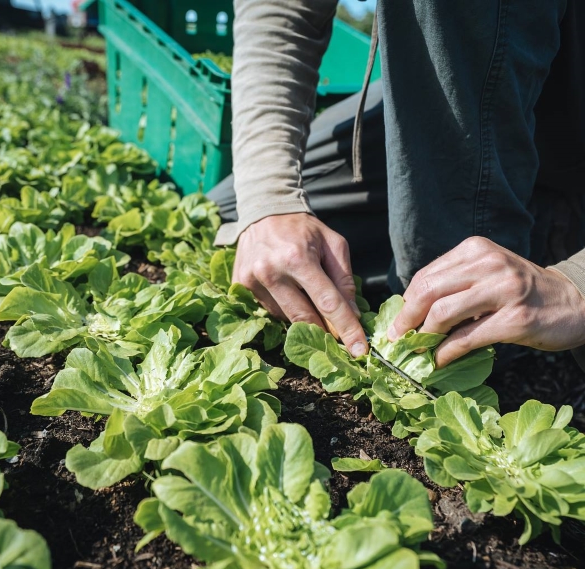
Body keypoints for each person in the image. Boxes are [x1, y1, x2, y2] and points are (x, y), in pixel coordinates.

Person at [209, 0, 585, 368]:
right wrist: (271, 200)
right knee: (253, 233)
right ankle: (539, 227)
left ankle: (464, 336)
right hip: (488, 81)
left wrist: (574, 287)